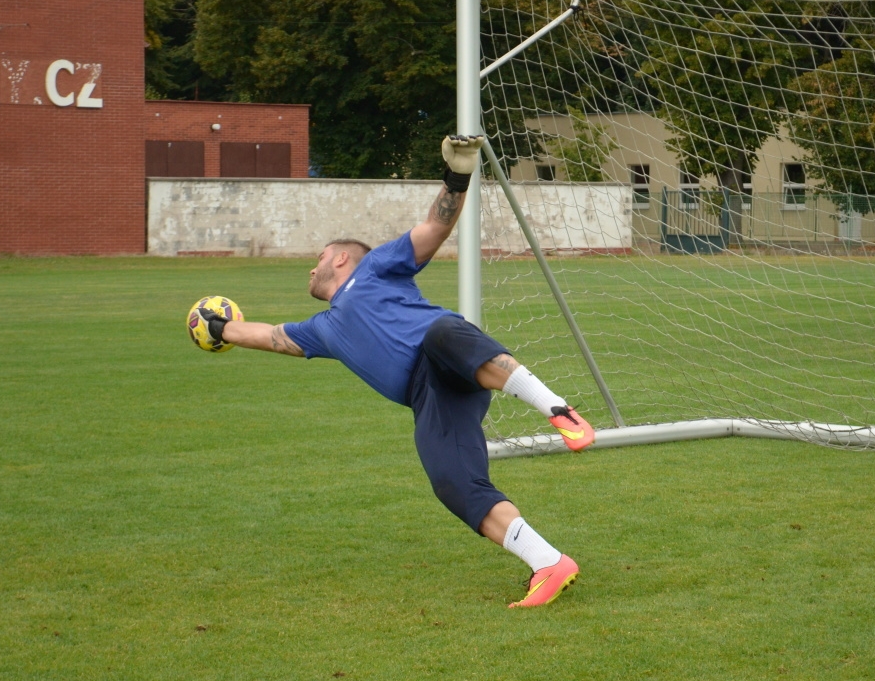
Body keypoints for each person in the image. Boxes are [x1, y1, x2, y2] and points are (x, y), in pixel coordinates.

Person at [193, 135, 591, 608]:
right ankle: (548, 562)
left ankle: (558, 409)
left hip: (443, 347)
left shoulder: (376, 266)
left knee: (444, 334)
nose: (311, 268)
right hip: (431, 398)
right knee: (453, 485)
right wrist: (220, 328)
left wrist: (457, 175)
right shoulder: (321, 328)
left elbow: (434, 228)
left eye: (318, 258)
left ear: (341, 257)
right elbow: (271, 336)